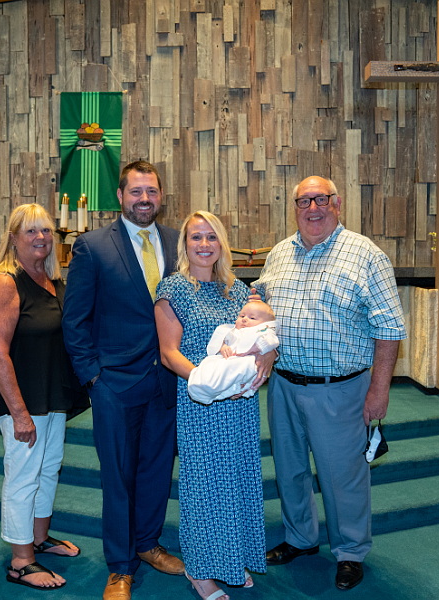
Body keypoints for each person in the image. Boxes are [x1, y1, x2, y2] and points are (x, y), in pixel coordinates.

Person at [252, 176, 406, 591]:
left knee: (343, 477)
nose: (313, 208)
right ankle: (300, 538)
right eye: (304, 201)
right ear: (295, 208)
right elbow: (260, 305)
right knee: (290, 469)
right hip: (283, 384)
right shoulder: (279, 254)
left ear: (337, 204)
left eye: (321, 199)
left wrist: (379, 389)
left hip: (339, 389)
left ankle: (350, 551)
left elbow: (390, 329)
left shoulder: (366, 255)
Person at [62, 161, 184, 600]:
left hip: (166, 382)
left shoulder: (177, 241)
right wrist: (93, 377)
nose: (144, 199)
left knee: (156, 470)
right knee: (117, 477)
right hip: (113, 383)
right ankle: (119, 567)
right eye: (136, 191)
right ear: (120, 196)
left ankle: (148, 544)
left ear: (161, 195)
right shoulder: (92, 246)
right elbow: (74, 319)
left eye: (151, 191)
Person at [155, 211, 273, 600]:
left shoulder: (239, 290)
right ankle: (200, 570)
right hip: (201, 401)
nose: (204, 244)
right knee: (204, 486)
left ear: (222, 243)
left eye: (211, 237)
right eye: (196, 237)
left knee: (238, 479)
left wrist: (265, 358)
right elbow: (169, 353)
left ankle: (232, 559)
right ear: (184, 244)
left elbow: (264, 334)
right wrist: (210, 383)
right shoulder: (173, 288)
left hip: (240, 405)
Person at [0, 203, 89, 591]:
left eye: (45, 230)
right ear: (13, 238)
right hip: (23, 400)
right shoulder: (6, 282)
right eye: (31, 231)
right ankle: (21, 561)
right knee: (23, 475)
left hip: (52, 395)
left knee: (48, 467)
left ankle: (39, 538)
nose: (41, 237)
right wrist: (19, 413)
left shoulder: (52, 280)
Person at [186, 300, 279, 404]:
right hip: (228, 360)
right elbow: (219, 341)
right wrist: (223, 346)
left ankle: (219, 389)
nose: (244, 319)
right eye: (242, 316)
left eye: (252, 318)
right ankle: (201, 384)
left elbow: (271, 341)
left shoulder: (263, 332)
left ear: (265, 323)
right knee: (210, 363)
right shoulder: (233, 331)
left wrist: (256, 347)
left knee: (241, 369)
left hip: (247, 362)